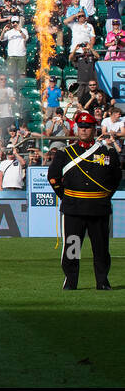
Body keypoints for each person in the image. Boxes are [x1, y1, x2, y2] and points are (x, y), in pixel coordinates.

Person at [47, 111, 120, 290]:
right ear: (76, 128)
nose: (84, 130)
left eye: (87, 127)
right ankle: (71, 281)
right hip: (74, 210)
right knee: (72, 248)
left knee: (101, 248)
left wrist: (104, 197)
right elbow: (53, 177)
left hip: (99, 208)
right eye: (81, 127)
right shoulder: (66, 152)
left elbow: (115, 177)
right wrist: (67, 197)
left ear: (94, 129)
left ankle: (102, 281)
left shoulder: (107, 151)